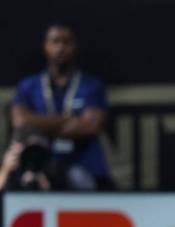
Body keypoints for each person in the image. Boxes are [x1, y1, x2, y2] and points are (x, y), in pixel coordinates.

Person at [11, 23, 112, 190]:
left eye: (66, 43)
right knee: (24, 182)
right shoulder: (28, 86)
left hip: (82, 164)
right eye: (55, 42)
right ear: (45, 46)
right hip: (39, 164)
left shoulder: (92, 85)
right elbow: (21, 123)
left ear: (75, 47)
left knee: (79, 180)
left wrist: (39, 125)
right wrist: (68, 120)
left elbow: (92, 126)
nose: (60, 48)